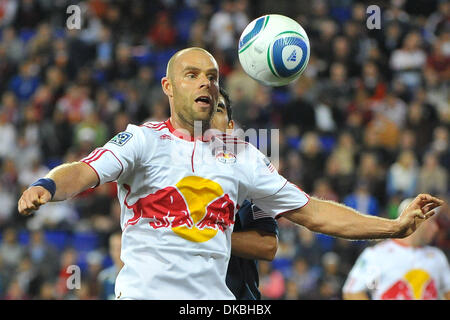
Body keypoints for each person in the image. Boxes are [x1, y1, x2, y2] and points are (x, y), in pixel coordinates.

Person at [18, 47, 444, 300]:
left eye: (212, 77)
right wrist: (47, 185)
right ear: (169, 88)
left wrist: (394, 226)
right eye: (192, 75)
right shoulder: (141, 141)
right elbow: (84, 171)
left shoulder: (241, 155)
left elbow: (312, 212)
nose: (206, 83)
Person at [212, 87, 279, 300]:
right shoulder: (171, 174)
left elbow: (267, 246)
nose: (210, 117)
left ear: (230, 127)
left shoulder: (250, 176)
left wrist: (206, 236)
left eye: (219, 110)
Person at [342, 198, 450, 300]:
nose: (435, 228)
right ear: (414, 220)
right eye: (431, 221)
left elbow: (447, 291)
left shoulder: (437, 256)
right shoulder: (377, 255)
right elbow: (352, 292)